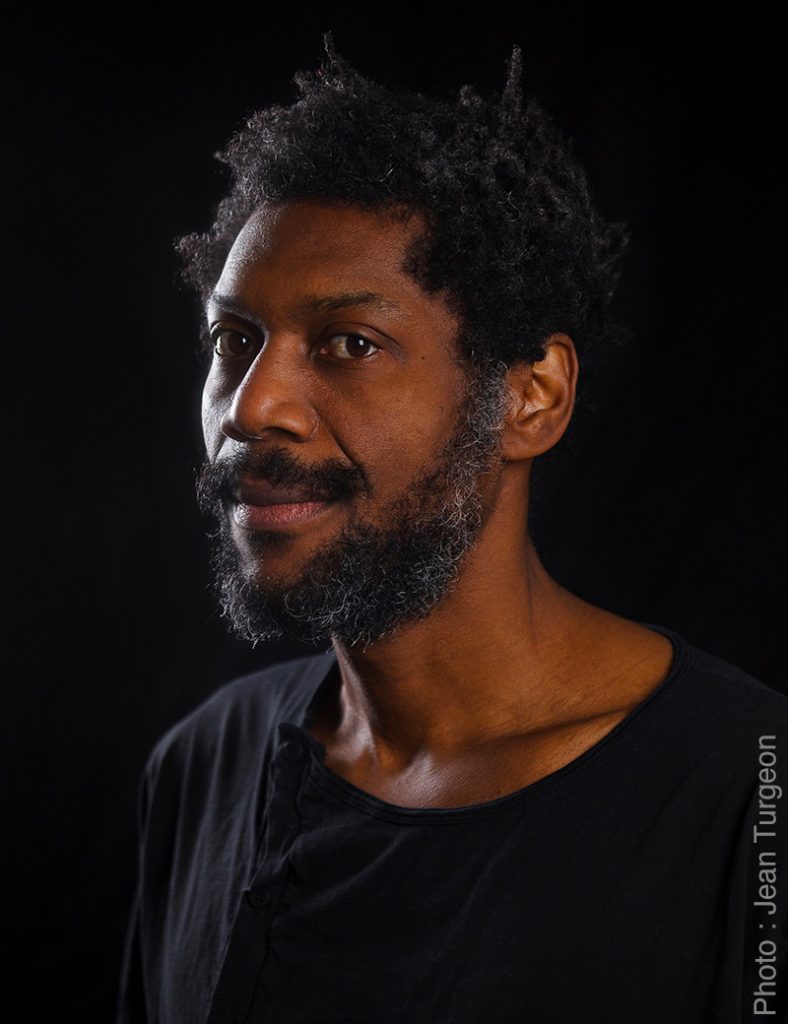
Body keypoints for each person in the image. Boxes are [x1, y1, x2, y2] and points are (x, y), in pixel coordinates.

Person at [117, 34, 788, 1023]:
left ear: (530, 396)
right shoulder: (202, 767)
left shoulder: (747, 789)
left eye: (350, 344)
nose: (252, 408)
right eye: (234, 340)